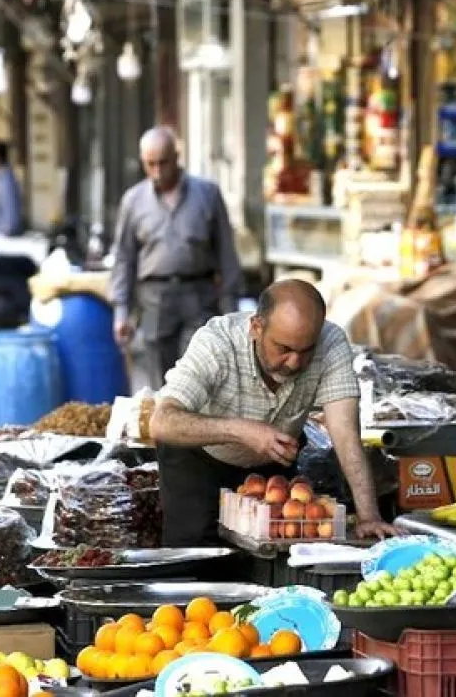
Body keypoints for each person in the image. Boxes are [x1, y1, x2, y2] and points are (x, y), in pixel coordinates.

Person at [146, 279, 400, 545]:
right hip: (198, 461)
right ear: (256, 327)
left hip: (271, 464)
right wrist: (240, 431)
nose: (294, 362)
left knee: (273, 550)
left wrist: (369, 515)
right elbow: (162, 422)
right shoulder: (216, 343)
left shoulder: (331, 342)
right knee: (197, 554)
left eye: (306, 351)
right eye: (284, 349)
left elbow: (345, 433)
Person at [110, 127, 242, 389]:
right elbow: (124, 257)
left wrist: (231, 308)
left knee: (201, 369)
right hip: (152, 297)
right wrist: (121, 311)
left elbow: (226, 253)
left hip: (199, 293)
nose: (158, 171)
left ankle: (196, 427)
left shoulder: (208, 194)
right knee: (155, 371)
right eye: (150, 164)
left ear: (177, 157)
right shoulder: (133, 201)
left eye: (163, 162)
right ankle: (165, 428)